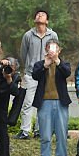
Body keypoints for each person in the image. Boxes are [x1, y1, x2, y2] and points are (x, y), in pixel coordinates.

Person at [17, 9, 59, 140]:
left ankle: (40, 130)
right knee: (28, 102)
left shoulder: (53, 35)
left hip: (47, 74)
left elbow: (56, 52)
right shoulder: (28, 35)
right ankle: (25, 130)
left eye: (42, 15)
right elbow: (23, 54)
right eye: (37, 14)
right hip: (31, 73)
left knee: (43, 103)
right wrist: (27, 68)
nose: (39, 16)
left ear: (47, 21)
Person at [32, 40, 71, 156]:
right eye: (49, 48)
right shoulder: (40, 65)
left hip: (61, 102)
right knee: (45, 136)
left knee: (61, 134)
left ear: (59, 51)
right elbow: (34, 75)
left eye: (55, 48)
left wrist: (57, 61)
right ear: (46, 50)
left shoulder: (63, 64)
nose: (52, 51)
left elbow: (67, 73)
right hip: (44, 102)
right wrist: (45, 65)